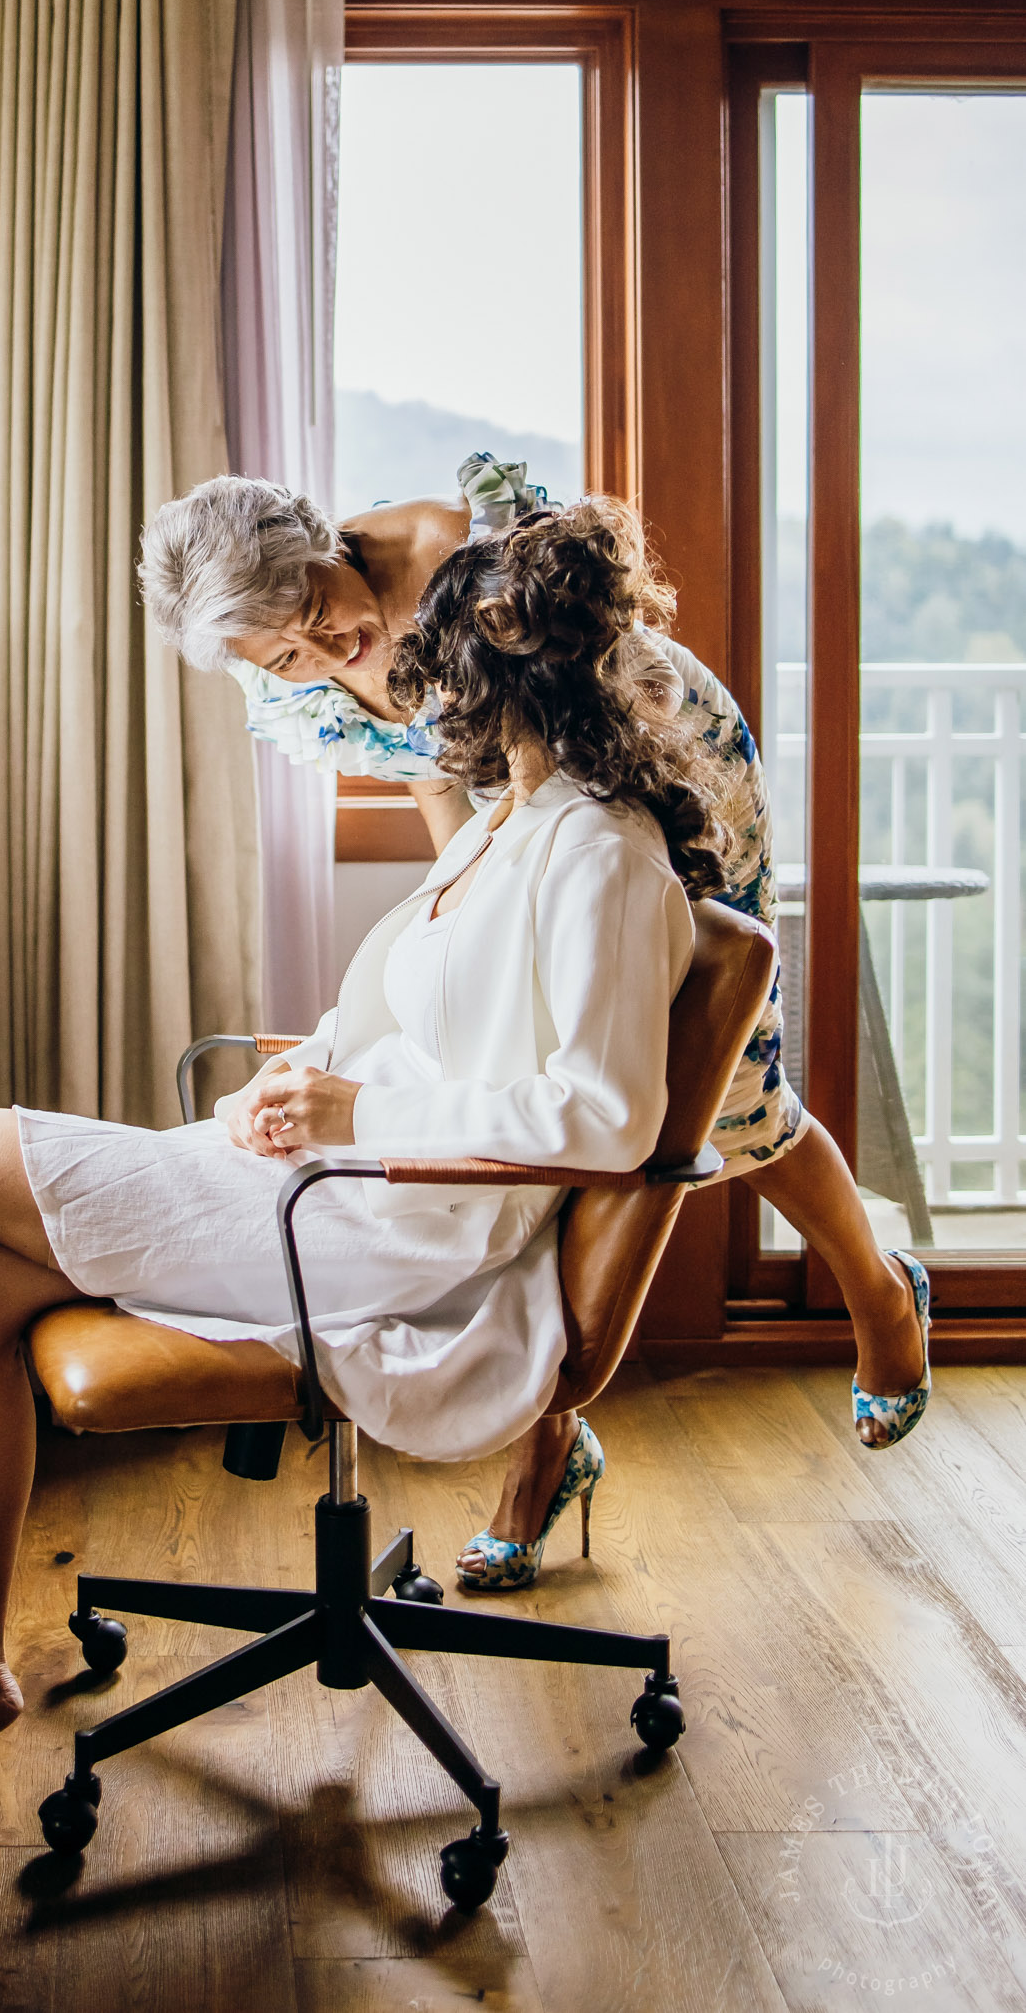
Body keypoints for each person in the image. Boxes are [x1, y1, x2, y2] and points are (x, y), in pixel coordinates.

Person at [0, 500, 716, 1796]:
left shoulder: (597, 851)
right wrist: (311, 1070)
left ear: (502, 673)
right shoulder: (504, 825)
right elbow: (419, 1016)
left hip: (395, 1227)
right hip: (338, 1176)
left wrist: (355, 1121)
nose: (394, 689)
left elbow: (604, 1121)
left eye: (431, 664)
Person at [138, 462, 931, 1584]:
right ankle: (545, 1444)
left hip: (646, 770)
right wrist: (463, 928)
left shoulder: (451, 546)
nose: (321, 657)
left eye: (320, 619)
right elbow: (437, 776)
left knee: (722, 1091)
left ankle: (879, 1297)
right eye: (283, 656)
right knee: (521, 1108)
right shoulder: (281, 665)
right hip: (515, 814)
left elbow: (577, 688)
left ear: (324, 540)